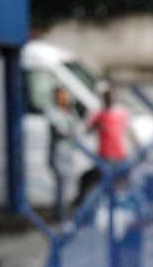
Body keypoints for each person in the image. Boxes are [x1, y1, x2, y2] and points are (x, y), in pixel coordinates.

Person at [47, 86, 79, 223]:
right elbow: (58, 129)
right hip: (58, 152)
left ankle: (64, 213)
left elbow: (75, 127)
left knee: (68, 185)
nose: (63, 98)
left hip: (68, 152)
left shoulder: (69, 111)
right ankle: (60, 216)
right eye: (60, 96)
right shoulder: (52, 111)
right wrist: (68, 132)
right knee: (61, 185)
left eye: (64, 95)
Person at [86, 87, 129, 164]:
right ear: (103, 98)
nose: (109, 99)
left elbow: (126, 132)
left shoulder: (121, 113)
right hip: (104, 154)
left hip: (119, 154)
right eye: (107, 97)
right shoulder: (98, 114)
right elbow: (88, 130)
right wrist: (96, 126)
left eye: (111, 96)